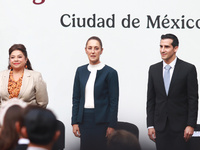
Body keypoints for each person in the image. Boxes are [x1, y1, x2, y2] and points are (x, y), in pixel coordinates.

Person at [146, 33, 198, 150]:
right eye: (161, 46)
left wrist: (190, 125)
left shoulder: (188, 69)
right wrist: (150, 125)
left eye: (166, 47)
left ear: (175, 48)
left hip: (181, 128)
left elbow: (193, 99)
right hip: (160, 127)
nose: (162, 50)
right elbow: (151, 99)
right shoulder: (153, 69)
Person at [72, 36, 119, 150]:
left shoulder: (110, 72)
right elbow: (76, 98)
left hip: (102, 121)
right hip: (84, 120)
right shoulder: (80, 71)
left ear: (101, 51)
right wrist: (74, 122)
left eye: (96, 48)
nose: (93, 51)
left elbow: (114, 101)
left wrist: (112, 125)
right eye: (90, 48)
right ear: (85, 50)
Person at [0, 44, 48, 108]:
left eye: (19, 57)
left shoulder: (35, 76)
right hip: (4, 117)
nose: (16, 59)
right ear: (9, 60)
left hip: (28, 117)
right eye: (12, 57)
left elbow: (42, 103)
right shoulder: (1, 75)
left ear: (26, 59)